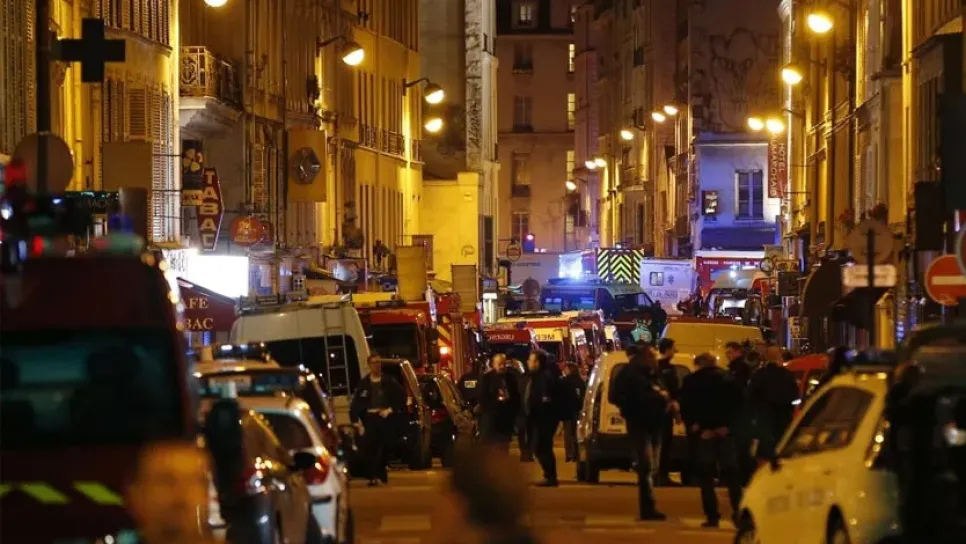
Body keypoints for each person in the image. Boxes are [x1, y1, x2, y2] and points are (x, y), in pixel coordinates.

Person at [679, 353, 744, 528]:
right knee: (732, 477)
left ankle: (712, 516)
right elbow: (739, 405)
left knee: (706, 477)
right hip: (725, 432)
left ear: (699, 364)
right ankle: (739, 513)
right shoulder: (728, 379)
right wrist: (728, 427)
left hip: (704, 433)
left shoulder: (692, 381)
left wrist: (697, 425)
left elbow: (686, 406)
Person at [608, 343, 669, 520]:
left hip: (648, 421)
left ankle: (649, 506)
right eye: (653, 355)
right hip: (642, 422)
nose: (656, 358)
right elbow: (621, 396)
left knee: (649, 467)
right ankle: (648, 508)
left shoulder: (644, 372)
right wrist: (657, 397)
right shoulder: (635, 374)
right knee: (646, 466)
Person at [350, 355, 406, 486]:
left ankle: (381, 474)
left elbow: (401, 397)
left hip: (384, 418)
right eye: (374, 363)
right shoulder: (364, 383)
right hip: (370, 418)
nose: (377, 365)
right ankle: (373, 476)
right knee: (370, 448)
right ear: (369, 365)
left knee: (384, 447)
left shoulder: (389, 381)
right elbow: (356, 403)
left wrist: (390, 410)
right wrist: (356, 421)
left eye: (379, 362)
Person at [747, 345, 799, 462]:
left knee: (765, 454)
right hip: (783, 419)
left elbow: (750, 396)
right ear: (780, 356)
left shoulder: (758, 375)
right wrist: (791, 408)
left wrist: (753, 415)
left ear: (765, 357)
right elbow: (795, 397)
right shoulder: (787, 375)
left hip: (764, 419)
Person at [524, 349, 562, 486]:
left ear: (537, 362)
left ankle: (550, 476)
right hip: (537, 418)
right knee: (540, 447)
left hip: (543, 419)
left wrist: (539, 411)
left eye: (531, 360)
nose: (528, 363)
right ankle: (549, 475)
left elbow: (545, 399)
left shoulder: (544, 377)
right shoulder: (534, 376)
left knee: (542, 447)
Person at [478, 354, 520, 449]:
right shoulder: (487, 378)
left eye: (504, 364)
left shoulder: (511, 378)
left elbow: (516, 396)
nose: (502, 366)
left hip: (506, 418)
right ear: (493, 364)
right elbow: (482, 397)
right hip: (491, 419)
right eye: (499, 364)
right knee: (490, 447)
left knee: (503, 447)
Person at [655, 338, 681, 485]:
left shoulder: (654, 366)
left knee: (657, 443)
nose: (675, 351)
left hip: (655, 411)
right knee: (665, 443)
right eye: (673, 348)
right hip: (664, 411)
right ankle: (662, 475)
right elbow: (673, 390)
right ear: (668, 349)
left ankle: (656, 474)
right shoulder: (667, 368)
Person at [560, 362, 586, 462]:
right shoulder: (580, 382)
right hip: (578, 410)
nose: (564, 371)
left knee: (567, 432)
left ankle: (569, 454)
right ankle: (576, 454)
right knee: (575, 432)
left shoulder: (564, 381)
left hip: (566, 410)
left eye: (566, 369)